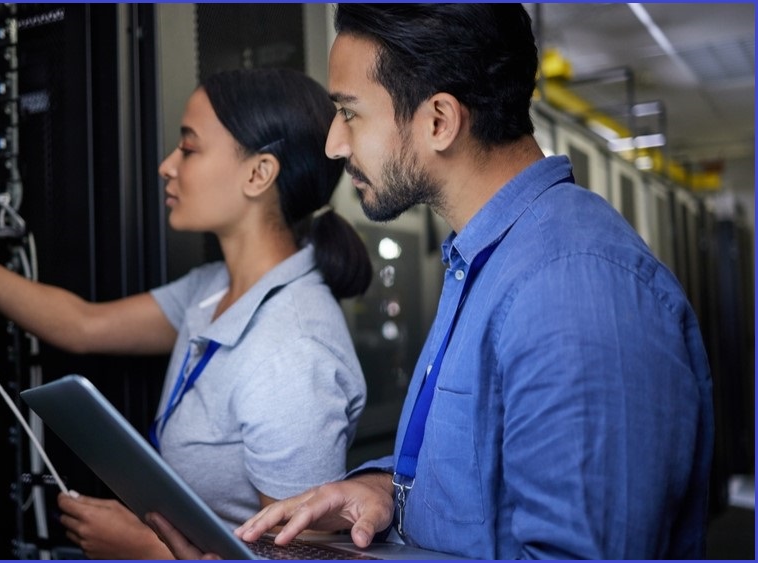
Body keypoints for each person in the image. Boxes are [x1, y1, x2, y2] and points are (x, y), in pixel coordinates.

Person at [148, 4, 715, 560]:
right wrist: (386, 490)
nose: (333, 145)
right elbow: (484, 476)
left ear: (439, 121)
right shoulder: (489, 261)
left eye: (349, 113)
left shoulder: (575, 288)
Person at [0, 67, 373, 559]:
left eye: (189, 147)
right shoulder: (216, 288)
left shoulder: (291, 352)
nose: (167, 165)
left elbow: (297, 560)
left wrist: (148, 550)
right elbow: (82, 325)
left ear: (259, 173)